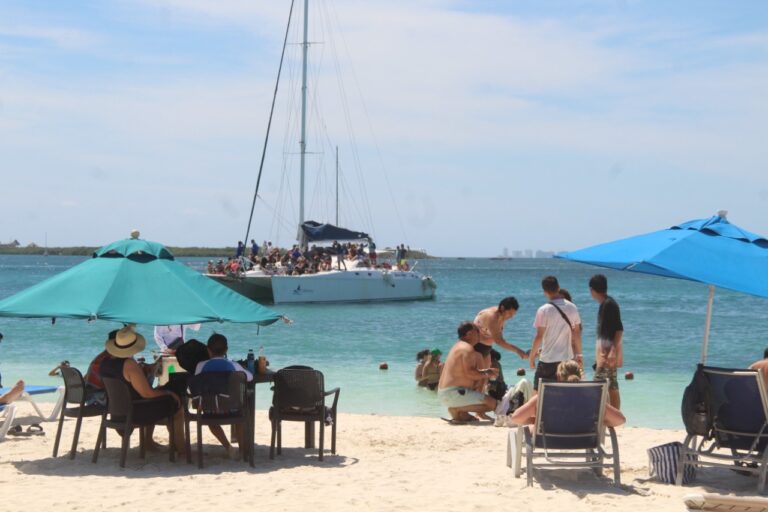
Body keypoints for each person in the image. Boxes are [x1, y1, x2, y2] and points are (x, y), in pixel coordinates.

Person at [99, 326, 185, 455]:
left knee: (157, 395)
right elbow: (147, 393)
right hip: (134, 412)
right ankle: (182, 450)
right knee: (178, 407)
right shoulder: (129, 365)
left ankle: (148, 442)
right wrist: (169, 393)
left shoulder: (105, 364)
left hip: (116, 411)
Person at [509, 360, 626, 427]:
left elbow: (516, 418)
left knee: (530, 429)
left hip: (548, 440)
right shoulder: (591, 399)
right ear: (579, 376)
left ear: (558, 376)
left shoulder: (545, 397)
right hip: (584, 440)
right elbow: (620, 420)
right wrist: (599, 422)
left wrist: (534, 420)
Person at [194, 333, 253, 457]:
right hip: (232, 409)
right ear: (226, 350)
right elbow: (249, 377)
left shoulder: (200, 366)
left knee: (212, 421)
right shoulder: (233, 365)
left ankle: (228, 447)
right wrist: (241, 367)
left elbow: (197, 383)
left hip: (210, 410)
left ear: (208, 350)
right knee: (240, 415)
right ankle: (242, 450)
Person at [437, 321, 500, 422]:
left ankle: (460, 413)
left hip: (446, 393)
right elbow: (470, 373)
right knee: (495, 405)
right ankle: (457, 409)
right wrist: (488, 373)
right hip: (454, 393)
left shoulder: (457, 346)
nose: (480, 334)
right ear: (470, 333)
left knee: (474, 413)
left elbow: (466, 372)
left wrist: (487, 371)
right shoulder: (467, 348)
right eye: (477, 331)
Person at [529, 276, 582, 391]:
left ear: (544, 292)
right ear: (558, 288)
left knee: (538, 396)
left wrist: (531, 357)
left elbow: (539, 336)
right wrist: (579, 355)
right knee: (564, 394)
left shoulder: (543, 310)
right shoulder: (572, 307)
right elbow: (576, 334)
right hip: (566, 360)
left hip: (547, 360)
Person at [589, 274, 624, 409]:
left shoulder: (609, 305)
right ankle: (614, 418)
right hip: (606, 354)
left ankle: (599, 418)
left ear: (592, 290)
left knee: (597, 387)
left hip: (607, 354)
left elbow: (619, 330)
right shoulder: (607, 304)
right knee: (612, 386)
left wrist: (611, 352)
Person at [474, 297, 527, 372]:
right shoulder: (492, 316)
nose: (511, 317)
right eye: (510, 313)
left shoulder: (501, 315)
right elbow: (499, 341)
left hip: (486, 348)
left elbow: (499, 337)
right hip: (476, 347)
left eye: (513, 314)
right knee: (478, 378)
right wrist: (518, 351)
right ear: (502, 308)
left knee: (484, 379)